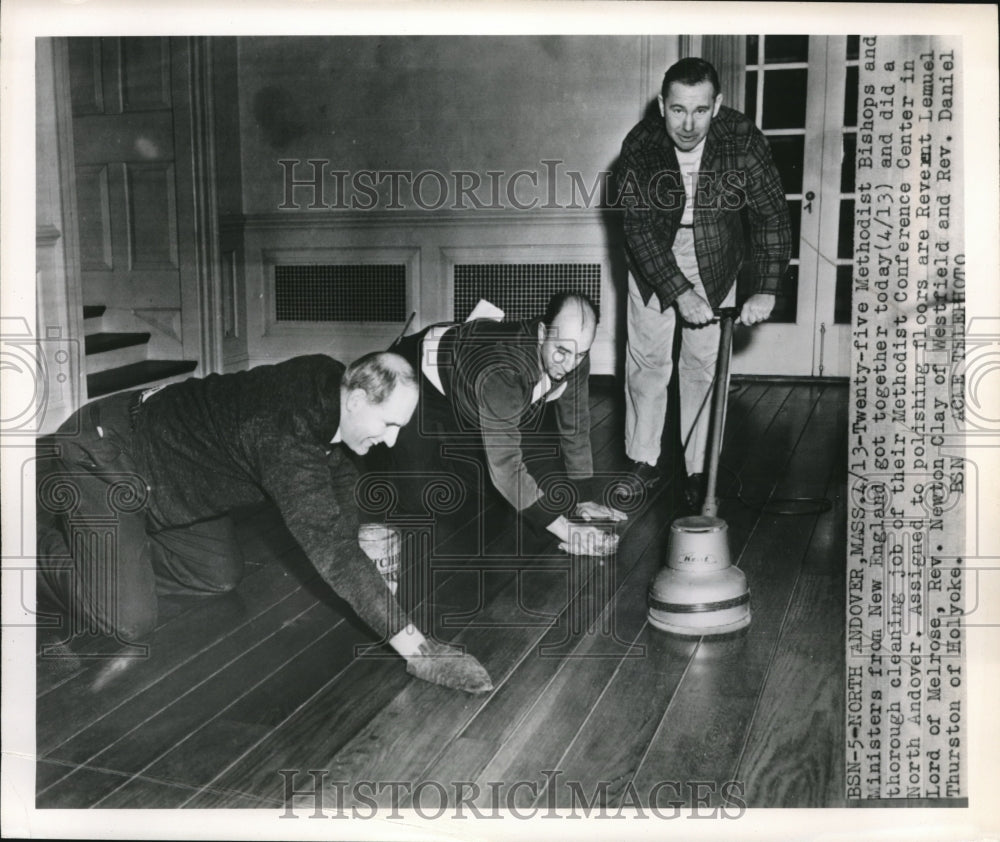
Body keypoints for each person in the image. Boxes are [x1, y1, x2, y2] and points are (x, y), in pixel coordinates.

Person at [36, 352, 493, 694]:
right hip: (106, 452)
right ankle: (36, 542)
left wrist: (361, 546)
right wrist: (418, 649)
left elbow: (338, 484)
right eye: (388, 424)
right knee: (128, 622)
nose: (390, 440)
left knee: (216, 577)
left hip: (168, 478)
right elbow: (330, 548)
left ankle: (110, 549)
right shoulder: (283, 430)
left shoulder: (328, 385)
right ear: (356, 399)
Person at [618, 56, 792, 507]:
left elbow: (771, 215)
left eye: (699, 110)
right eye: (678, 110)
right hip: (654, 254)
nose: (689, 124)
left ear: (717, 105)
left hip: (716, 254)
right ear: (662, 105)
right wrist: (678, 291)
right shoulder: (639, 145)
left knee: (702, 367)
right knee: (649, 362)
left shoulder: (742, 140)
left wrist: (767, 286)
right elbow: (637, 230)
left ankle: (699, 470)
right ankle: (643, 461)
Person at [386, 293, 625, 555]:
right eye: (562, 352)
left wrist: (583, 495)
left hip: (466, 389)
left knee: (495, 494)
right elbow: (507, 464)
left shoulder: (573, 349)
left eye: (580, 354)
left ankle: (455, 451)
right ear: (543, 333)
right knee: (418, 501)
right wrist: (570, 531)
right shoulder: (504, 371)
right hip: (415, 373)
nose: (569, 365)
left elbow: (575, 424)